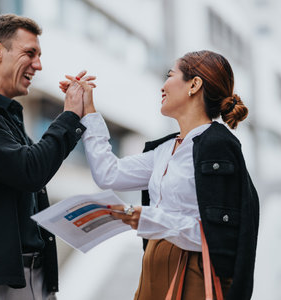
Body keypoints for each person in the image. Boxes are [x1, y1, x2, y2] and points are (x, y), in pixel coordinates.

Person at [60, 50, 259, 299]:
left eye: (170, 75)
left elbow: (221, 237)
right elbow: (107, 175)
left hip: (193, 270)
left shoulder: (218, 146)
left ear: (194, 85)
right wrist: (88, 111)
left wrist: (153, 218)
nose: (163, 86)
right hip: (152, 266)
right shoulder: (164, 150)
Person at [0, 14, 93, 300]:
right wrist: (69, 115)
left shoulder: (7, 117)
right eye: (30, 53)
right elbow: (30, 170)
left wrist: (73, 118)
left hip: (36, 277)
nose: (38, 65)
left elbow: (33, 169)